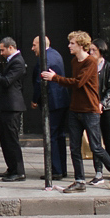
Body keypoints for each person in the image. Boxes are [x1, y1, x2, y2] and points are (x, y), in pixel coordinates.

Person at [41, 31, 110, 192]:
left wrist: (55, 78)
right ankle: (79, 181)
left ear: (81, 45)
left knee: (96, 146)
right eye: (69, 43)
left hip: (89, 110)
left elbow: (78, 83)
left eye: (72, 43)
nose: (69, 46)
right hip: (75, 109)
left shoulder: (90, 62)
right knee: (74, 147)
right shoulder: (74, 62)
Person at [0, 36, 27, 182]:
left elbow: (7, 81)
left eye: (3, 50)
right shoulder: (12, 61)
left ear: (11, 47)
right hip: (7, 105)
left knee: (11, 139)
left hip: (13, 106)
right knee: (5, 139)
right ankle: (11, 168)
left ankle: (19, 171)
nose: (1, 53)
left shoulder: (18, 62)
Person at [31, 34, 70, 180]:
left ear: (41, 44)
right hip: (61, 100)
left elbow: (39, 81)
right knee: (59, 136)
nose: (32, 48)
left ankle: (55, 170)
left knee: (51, 136)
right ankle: (62, 168)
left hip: (52, 101)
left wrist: (35, 100)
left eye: (34, 45)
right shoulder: (56, 54)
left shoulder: (45, 58)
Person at [90, 38, 110, 185]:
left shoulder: (109, 67)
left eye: (94, 50)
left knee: (108, 139)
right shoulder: (89, 66)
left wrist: (103, 103)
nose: (91, 52)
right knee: (95, 141)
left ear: (101, 51)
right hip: (93, 106)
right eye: (90, 50)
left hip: (107, 107)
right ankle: (98, 171)